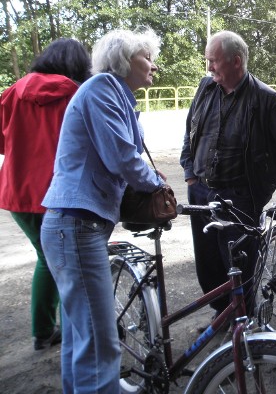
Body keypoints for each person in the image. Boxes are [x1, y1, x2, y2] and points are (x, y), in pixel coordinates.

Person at [40, 28, 168, 393]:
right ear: (123, 59)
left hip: (72, 227)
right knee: (99, 343)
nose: (154, 66)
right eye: (147, 57)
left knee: (82, 340)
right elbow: (122, 158)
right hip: (76, 227)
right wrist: (158, 184)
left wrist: (148, 175)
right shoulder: (102, 90)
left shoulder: (114, 94)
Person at [180, 30, 276, 318]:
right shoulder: (206, 87)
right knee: (208, 263)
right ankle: (222, 314)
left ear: (236, 61)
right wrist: (189, 172)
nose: (209, 67)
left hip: (239, 198)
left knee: (240, 264)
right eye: (208, 61)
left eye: (213, 61)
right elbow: (191, 131)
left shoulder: (265, 99)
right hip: (200, 191)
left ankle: (245, 322)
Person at [0, 38, 91, 351]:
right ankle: (70, 334)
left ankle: (43, 331)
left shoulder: (12, 92)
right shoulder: (76, 94)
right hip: (57, 193)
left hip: (16, 193)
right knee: (65, 264)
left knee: (48, 258)